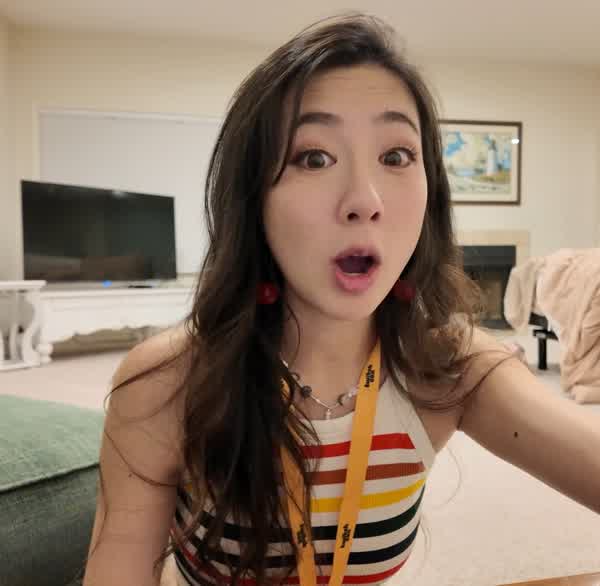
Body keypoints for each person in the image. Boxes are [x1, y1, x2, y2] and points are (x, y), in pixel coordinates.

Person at [82, 13, 600, 586]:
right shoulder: (166, 384)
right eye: (314, 157)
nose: (365, 199)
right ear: (253, 196)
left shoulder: (454, 369)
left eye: (396, 156)